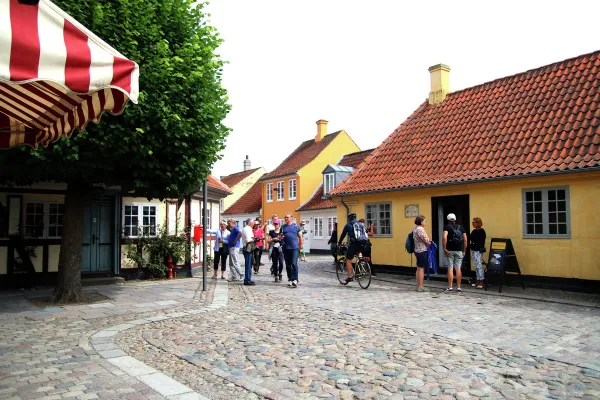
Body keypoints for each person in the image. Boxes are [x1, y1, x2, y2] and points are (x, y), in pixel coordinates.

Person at [338, 212, 368, 285]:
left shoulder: (348, 225)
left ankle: (350, 276)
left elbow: (343, 235)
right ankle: (361, 264)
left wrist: (339, 243)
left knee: (348, 259)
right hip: (363, 243)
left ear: (349, 218)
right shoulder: (360, 224)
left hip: (354, 244)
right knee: (359, 253)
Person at [442, 213, 467, 292]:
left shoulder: (447, 227)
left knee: (450, 268)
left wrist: (444, 248)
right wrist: (464, 250)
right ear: (455, 219)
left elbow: (444, 237)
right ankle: (459, 287)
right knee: (458, 268)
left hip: (450, 250)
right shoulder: (461, 227)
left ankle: (450, 287)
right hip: (459, 250)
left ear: (448, 220)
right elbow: (465, 240)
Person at [282, 212, 303, 287]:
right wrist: (280, 238)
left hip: (294, 248)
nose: (286, 218)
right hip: (285, 248)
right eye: (285, 217)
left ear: (291, 218)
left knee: (294, 263)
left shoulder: (296, 226)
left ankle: (295, 279)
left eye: (287, 217)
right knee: (288, 264)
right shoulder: (283, 227)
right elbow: (280, 236)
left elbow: (300, 237)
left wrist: (301, 247)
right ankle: (290, 279)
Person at [413, 215, 431, 291]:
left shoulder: (415, 229)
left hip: (417, 249)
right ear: (421, 222)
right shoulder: (420, 229)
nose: (425, 222)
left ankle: (418, 285)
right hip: (422, 250)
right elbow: (426, 240)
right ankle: (420, 286)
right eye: (424, 221)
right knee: (421, 269)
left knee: (418, 268)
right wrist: (430, 243)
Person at [470, 217, 487, 289]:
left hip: (478, 250)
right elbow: (471, 239)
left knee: (479, 265)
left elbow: (479, 242)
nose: (473, 223)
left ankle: (481, 281)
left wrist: (473, 244)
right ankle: (477, 279)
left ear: (478, 223)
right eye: (472, 222)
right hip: (473, 250)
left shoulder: (481, 231)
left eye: (474, 222)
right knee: (476, 266)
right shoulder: (474, 231)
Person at [241, 218, 257, 285]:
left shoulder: (247, 229)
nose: (254, 224)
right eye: (253, 222)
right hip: (247, 248)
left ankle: (248, 279)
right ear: (250, 223)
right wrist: (256, 240)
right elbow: (248, 240)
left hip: (248, 248)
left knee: (249, 264)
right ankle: (247, 280)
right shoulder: (247, 229)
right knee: (248, 264)